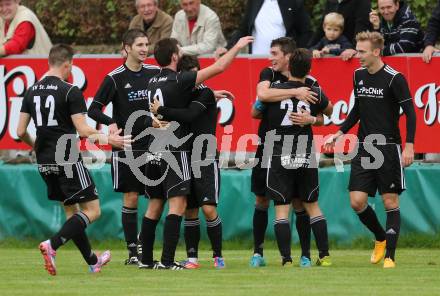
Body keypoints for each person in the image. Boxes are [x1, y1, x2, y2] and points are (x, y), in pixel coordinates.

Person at [138, 36, 253, 270]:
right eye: (179, 51)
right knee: (178, 205)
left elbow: (184, 99)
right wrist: (238, 47)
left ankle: (146, 261)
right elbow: (219, 67)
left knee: (155, 205)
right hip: (175, 148)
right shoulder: (179, 79)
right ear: (173, 57)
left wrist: (209, 93)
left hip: (154, 147)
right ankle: (168, 261)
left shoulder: (151, 83)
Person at [16, 44, 131, 275]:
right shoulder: (70, 90)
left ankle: (92, 261)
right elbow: (83, 129)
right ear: (67, 64)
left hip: (45, 160)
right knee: (93, 210)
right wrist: (109, 139)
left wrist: (37, 147)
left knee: (73, 213)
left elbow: (20, 132)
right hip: (66, 158)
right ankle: (52, 245)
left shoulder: (31, 91)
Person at [325, 31, 416, 268]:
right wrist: (339, 132)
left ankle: (390, 257)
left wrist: (408, 146)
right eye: (357, 50)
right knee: (356, 201)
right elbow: (357, 110)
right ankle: (380, 237)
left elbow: (411, 114)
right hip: (364, 146)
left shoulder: (395, 78)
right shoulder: (358, 75)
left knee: (389, 201)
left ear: (376, 52)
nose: (358, 55)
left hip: (388, 147)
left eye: (362, 51)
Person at [250, 37, 333, 268]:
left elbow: (256, 109)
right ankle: (320, 255)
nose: (271, 58)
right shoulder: (306, 85)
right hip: (298, 149)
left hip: (277, 148)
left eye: (275, 53)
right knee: (305, 203)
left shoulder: (278, 86)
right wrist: (299, 95)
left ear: (288, 57)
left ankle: (290, 258)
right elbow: (329, 111)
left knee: (285, 206)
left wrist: (310, 119)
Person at [88, 29, 161, 265]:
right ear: (127, 48)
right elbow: (94, 109)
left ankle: (144, 243)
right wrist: (111, 123)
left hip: (153, 143)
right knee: (130, 197)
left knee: (155, 197)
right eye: (139, 44)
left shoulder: (154, 72)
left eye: (146, 44)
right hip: (126, 145)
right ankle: (132, 253)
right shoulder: (115, 77)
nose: (144, 49)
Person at [150, 55, 224, 269]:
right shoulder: (179, 96)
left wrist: (161, 110)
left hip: (205, 155)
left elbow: (190, 115)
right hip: (184, 155)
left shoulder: (205, 92)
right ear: (182, 76)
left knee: (208, 208)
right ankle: (192, 259)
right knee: (190, 209)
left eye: (196, 72)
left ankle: (218, 256)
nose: (195, 77)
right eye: (190, 74)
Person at [216, 0, 312, 56]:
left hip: (284, 64)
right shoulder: (254, 2)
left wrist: (297, 55)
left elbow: (305, 31)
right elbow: (243, 29)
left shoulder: (293, 2)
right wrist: (228, 48)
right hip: (256, 60)